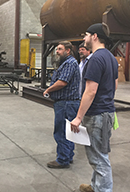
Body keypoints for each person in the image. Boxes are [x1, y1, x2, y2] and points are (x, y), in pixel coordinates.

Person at [70, 23, 118, 192]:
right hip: (107, 112)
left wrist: (78, 117)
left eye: (86, 35)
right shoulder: (111, 58)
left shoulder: (96, 59)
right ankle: (95, 187)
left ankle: (103, 190)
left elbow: (90, 91)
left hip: (97, 115)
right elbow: (115, 85)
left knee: (98, 158)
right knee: (98, 153)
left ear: (95, 36)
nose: (84, 39)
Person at [43, 41, 80, 169]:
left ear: (68, 50)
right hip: (67, 103)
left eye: (59, 49)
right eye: (57, 49)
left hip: (66, 103)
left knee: (61, 132)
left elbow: (62, 82)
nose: (57, 52)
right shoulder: (67, 63)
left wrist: (48, 90)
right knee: (68, 132)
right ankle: (67, 156)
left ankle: (63, 159)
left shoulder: (69, 63)